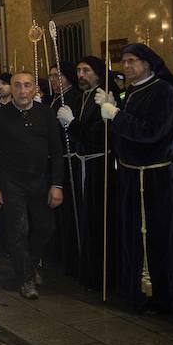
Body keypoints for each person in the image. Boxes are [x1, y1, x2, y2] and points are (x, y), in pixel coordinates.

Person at [97, 43, 173, 311]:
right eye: (123, 61)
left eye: (132, 61)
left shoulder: (162, 90)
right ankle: (136, 290)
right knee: (133, 237)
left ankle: (162, 293)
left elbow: (151, 132)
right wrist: (116, 109)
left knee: (157, 237)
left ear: (148, 63)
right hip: (130, 174)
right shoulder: (133, 91)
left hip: (154, 178)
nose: (126, 66)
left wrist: (116, 116)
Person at [0, 71, 64, 299]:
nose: (22, 90)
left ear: (34, 89)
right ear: (12, 88)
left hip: (40, 180)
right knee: (19, 230)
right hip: (11, 182)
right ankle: (26, 279)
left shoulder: (46, 114)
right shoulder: (0, 116)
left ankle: (28, 265)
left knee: (46, 228)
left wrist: (57, 184)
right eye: (17, 85)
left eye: (27, 85)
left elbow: (57, 153)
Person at [57, 56, 119, 291]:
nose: (82, 75)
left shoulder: (105, 96)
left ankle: (103, 275)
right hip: (84, 165)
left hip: (101, 166)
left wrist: (71, 123)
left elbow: (98, 136)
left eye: (87, 70)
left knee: (99, 220)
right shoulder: (84, 96)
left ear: (99, 73)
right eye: (79, 70)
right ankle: (88, 271)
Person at [48, 61, 82, 277]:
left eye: (57, 75)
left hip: (70, 159)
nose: (53, 80)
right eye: (50, 76)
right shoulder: (53, 100)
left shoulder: (75, 97)